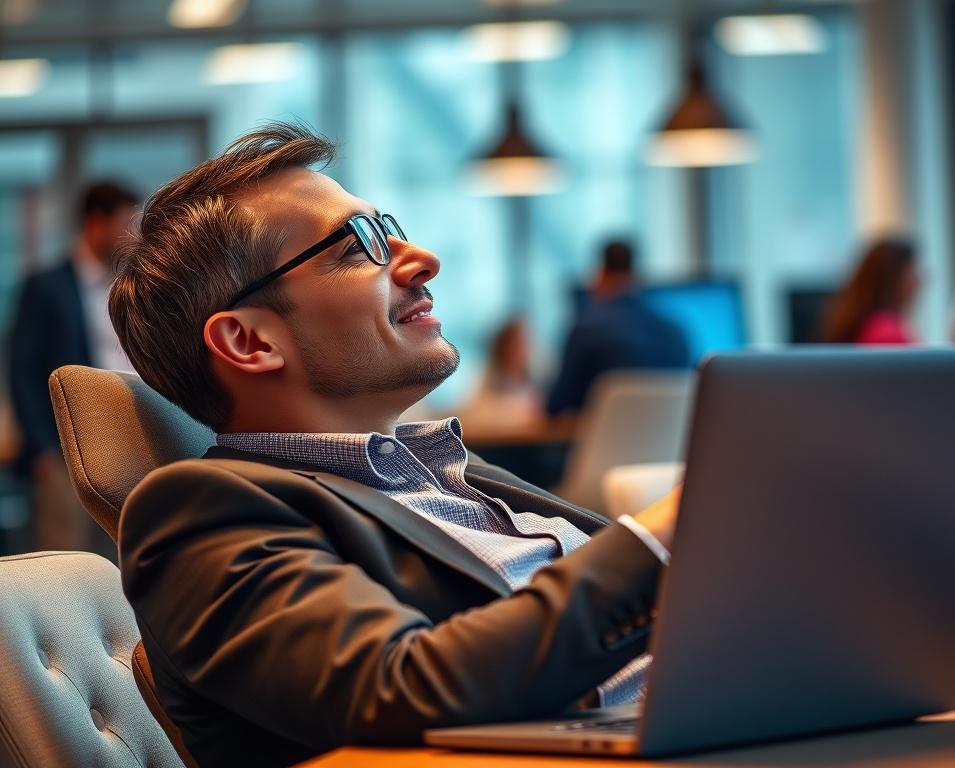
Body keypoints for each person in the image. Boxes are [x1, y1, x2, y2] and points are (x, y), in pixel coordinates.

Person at [108, 124, 679, 767]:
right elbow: (401, 691)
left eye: (390, 228)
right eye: (360, 247)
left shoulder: (462, 477)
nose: (423, 257)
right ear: (250, 342)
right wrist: (657, 542)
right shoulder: (196, 514)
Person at [7, 181, 138, 552]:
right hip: (65, 446)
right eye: (125, 224)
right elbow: (23, 371)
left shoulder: (132, 286)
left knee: (124, 551)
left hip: (126, 440)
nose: (133, 235)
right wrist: (42, 448)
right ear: (96, 223)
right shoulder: (46, 286)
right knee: (67, 555)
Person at [546, 239, 691, 416]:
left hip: (605, 442)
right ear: (636, 275)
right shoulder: (677, 330)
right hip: (667, 442)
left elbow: (556, 405)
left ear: (601, 274)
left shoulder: (586, 329)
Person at [819, 239, 920, 344]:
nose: (918, 280)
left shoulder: (871, 324)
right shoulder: (886, 333)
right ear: (893, 278)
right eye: (912, 271)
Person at [456, 317, 543, 435]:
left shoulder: (533, 377)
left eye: (525, 344)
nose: (523, 350)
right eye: (516, 344)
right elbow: (476, 416)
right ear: (503, 347)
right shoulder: (487, 376)